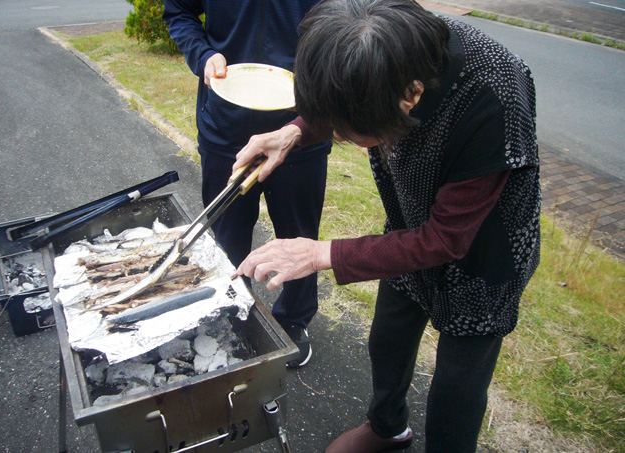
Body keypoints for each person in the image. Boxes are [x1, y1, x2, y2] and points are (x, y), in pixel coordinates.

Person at [233, 0, 541, 451]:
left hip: (485, 247)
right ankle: (387, 427)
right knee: (388, 338)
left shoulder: (493, 94)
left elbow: (447, 238)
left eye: (346, 134)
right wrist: (294, 131)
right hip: (411, 221)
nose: (338, 136)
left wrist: (322, 253)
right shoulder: (379, 55)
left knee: (457, 385)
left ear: (411, 95)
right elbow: (345, 96)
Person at [163, 1, 332, 368]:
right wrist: (202, 53)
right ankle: (234, 312)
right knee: (226, 238)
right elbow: (178, 11)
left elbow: (348, 26)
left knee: (299, 236)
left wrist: (313, 108)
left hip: (302, 129)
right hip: (226, 127)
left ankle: (293, 320)